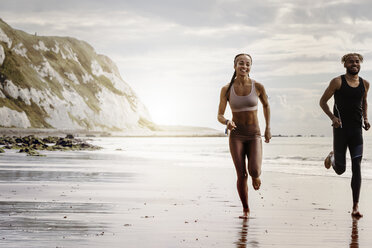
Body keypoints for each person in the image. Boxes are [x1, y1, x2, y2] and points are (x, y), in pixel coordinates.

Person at [217, 53, 271, 219]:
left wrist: (268, 128)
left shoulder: (258, 86)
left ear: (250, 67)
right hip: (236, 136)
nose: (244, 66)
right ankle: (246, 209)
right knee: (241, 175)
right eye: (241, 63)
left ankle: (256, 176)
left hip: (254, 134)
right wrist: (227, 122)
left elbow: (266, 105)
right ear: (235, 65)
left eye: (248, 64)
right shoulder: (226, 89)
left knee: (254, 170)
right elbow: (219, 114)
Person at [319, 53, 370, 218]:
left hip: (356, 131)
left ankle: (355, 206)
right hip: (340, 130)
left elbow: (364, 102)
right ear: (345, 64)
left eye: (357, 61)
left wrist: (366, 118)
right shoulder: (337, 82)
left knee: (357, 167)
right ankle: (332, 157)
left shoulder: (365, 84)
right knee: (340, 169)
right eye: (351, 61)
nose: (354, 64)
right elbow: (322, 102)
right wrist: (333, 118)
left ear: (360, 64)